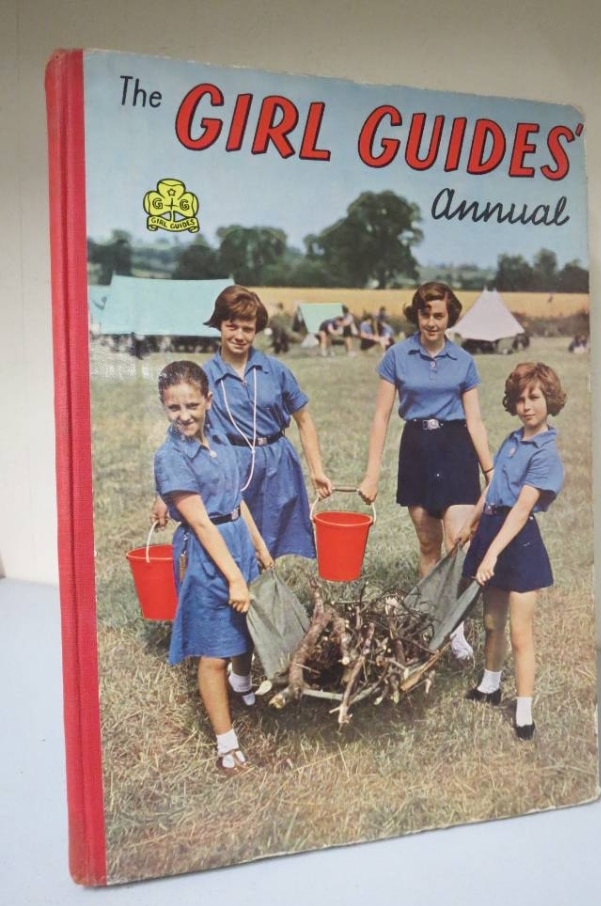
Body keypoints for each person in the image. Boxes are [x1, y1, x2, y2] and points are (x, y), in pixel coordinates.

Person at [358, 281, 494, 661]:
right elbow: (381, 417)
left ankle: (456, 629)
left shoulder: (463, 361)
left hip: (456, 449)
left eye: (439, 315)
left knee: (457, 543)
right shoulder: (396, 356)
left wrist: (490, 470)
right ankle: (430, 623)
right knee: (429, 545)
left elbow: (475, 421)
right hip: (417, 449)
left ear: (450, 317)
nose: (431, 322)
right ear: (416, 314)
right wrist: (371, 473)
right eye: (425, 314)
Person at [154, 360, 274, 774]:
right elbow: (202, 523)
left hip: (237, 537)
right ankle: (226, 745)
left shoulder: (219, 436)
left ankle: (241, 683)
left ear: (208, 400)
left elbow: (235, 499)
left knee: (245, 625)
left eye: (192, 405)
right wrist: (235, 578)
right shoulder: (170, 457)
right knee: (214, 651)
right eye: (174, 408)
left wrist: (259, 547)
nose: (184, 415)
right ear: (164, 407)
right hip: (206, 552)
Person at [153, 286, 333, 560]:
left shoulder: (275, 370)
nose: (239, 335)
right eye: (232, 326)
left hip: (278, 464)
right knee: (234, 536)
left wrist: (316, 470)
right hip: (231, 465)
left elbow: (304, 420)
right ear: (219, 325)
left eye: (247, 329)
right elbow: (181, 430)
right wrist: (163, 494)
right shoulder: (203, 376)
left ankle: (267, 583)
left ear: (256, 330)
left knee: (276, 533)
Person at [459, 362, 566, 740]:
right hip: (491, 529)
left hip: (518, 543)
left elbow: (521, 510)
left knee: (520, 633)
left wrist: (491, 555)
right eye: (520, 399)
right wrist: (472, 521)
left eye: (534, 398)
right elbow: (492, 488)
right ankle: (490, 685)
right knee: (492, 623)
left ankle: (523, 711)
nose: (527, 406)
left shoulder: (545, 453)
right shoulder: (511, 440)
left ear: (550, 399)